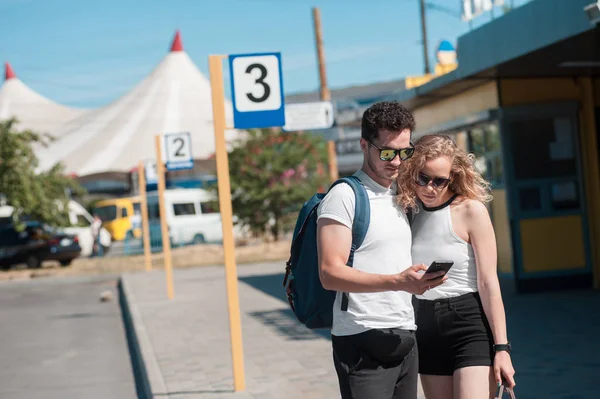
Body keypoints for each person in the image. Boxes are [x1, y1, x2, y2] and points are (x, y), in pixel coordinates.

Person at [316, 101, 448, 399]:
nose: (398, 161)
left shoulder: (399, 195)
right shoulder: (344, 197)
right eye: (388, 152)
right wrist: (398, 281)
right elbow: (329, 273)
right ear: (365, 145)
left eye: (405, 151)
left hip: (404, 333)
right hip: (361, 338)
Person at [397, 134, 516, 398]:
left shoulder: (471, 211)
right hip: (424, 324)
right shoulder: (407, 212)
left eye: (440, 181)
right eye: (423, 178)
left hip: (468, 322)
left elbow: (488, 283)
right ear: (411, 173)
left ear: (454, 176)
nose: (430, 187)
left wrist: (502, 349)